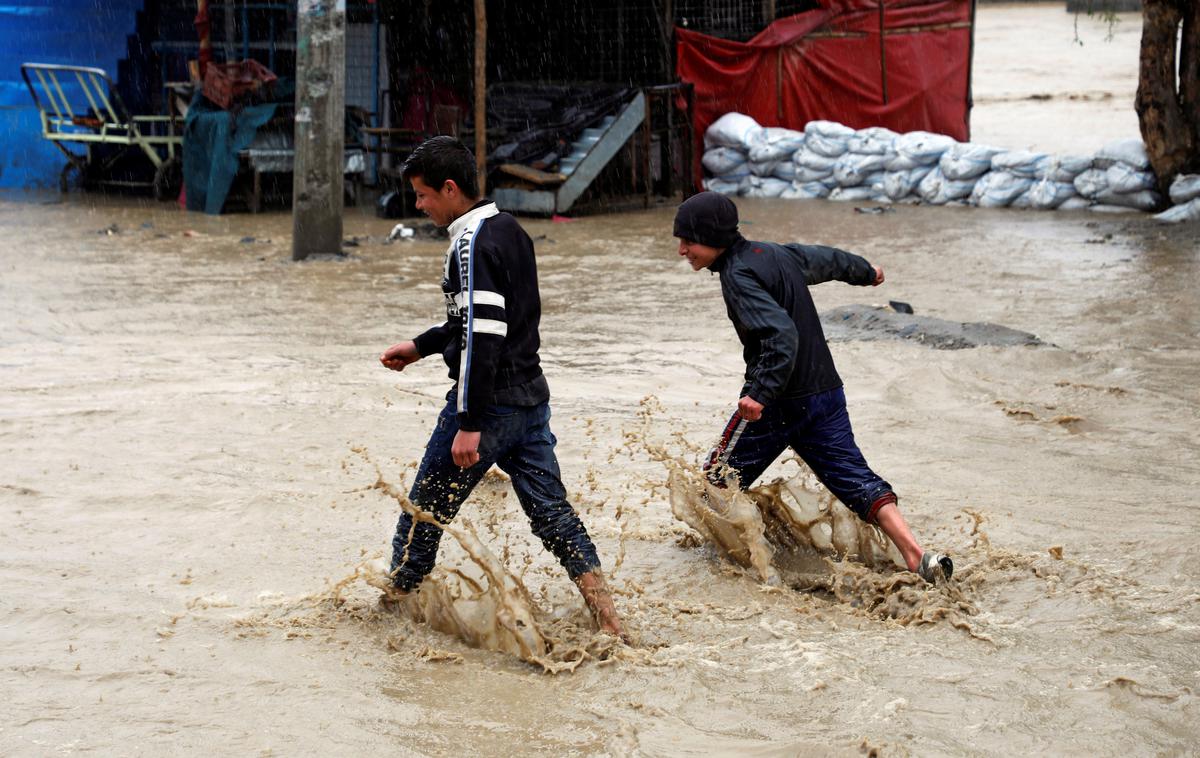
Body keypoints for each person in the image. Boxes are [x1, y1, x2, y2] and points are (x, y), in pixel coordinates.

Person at [378, 136, 626, 638]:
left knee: (422, 515)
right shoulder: (508, 228)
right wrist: (421, 346)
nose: (420, 205)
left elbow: (481, 340)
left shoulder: (470, 244)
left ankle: (388, 617)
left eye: (423, 196)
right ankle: (610, 620)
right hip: (530, 398)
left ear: (450, 190)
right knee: (554, 516)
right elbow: (481, 323)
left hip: (488, 407)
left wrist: (469, 423)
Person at [672, 191, 953, 583]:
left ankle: (730, 562)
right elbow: (825, 259)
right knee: (855, 478)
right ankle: (917, 555)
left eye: (688, 241)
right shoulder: (773, 254)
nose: (683, 250)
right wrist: (864, 271)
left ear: (713, 237)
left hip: (778, 404)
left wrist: (760, 394)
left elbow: (780, 335)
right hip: (825, 394)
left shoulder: (737, 275)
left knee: (715, 482)